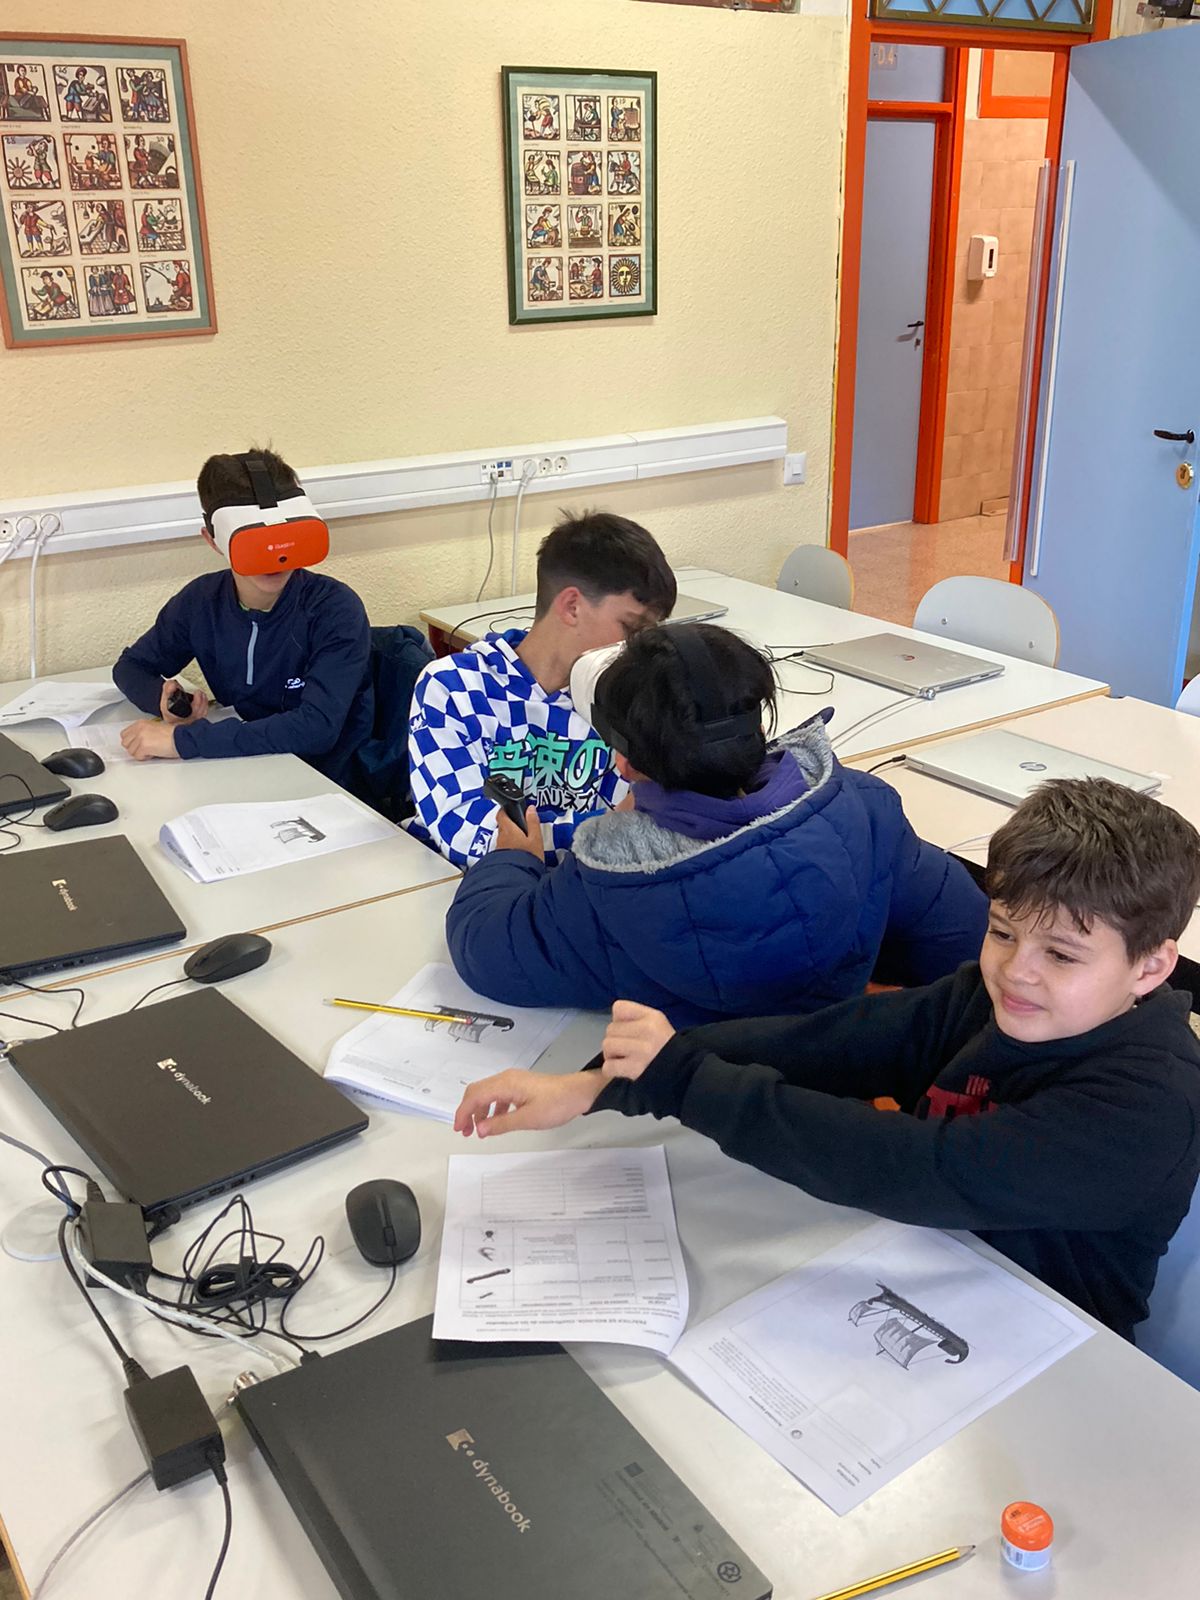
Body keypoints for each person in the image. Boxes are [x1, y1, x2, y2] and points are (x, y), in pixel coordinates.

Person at [454, 778, 1200, 1342]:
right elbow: (835, 1043)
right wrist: (604, 1084)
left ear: (1151, 966)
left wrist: (680, 1078)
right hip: (930, 1273)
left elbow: (915, 1167)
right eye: (1002, 931)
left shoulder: (1149, 1104)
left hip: (1052, 1346)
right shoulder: (992, 998)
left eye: (1061, 955)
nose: (1016, 970)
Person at [446, 623, 986, 1026]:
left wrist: (510, 861)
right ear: (757, 724)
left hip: (691, 1112)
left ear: (624, 764)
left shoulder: (611, 883)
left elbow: (485, 950)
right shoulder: (864, 810)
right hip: (833, 1098)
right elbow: (965, 937)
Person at [407, 511, 676, 869]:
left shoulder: (626, 695)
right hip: (473, 886)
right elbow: (465, 835)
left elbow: (651, 822)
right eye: (631, 627)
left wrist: (610, 832)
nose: (639, 647)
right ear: (572, 606)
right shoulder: (454, 687)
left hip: (586, 884)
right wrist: (607, 833)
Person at [114, 448, 373, 783]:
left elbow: (316, 728)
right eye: (255, 543)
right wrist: (162, 701)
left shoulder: (334, 609)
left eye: (281, 540)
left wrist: (183, 741)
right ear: (213, 540)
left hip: (320, 780)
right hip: (241, 770)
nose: (273, 558)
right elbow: (130, 667)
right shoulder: (201, 602)